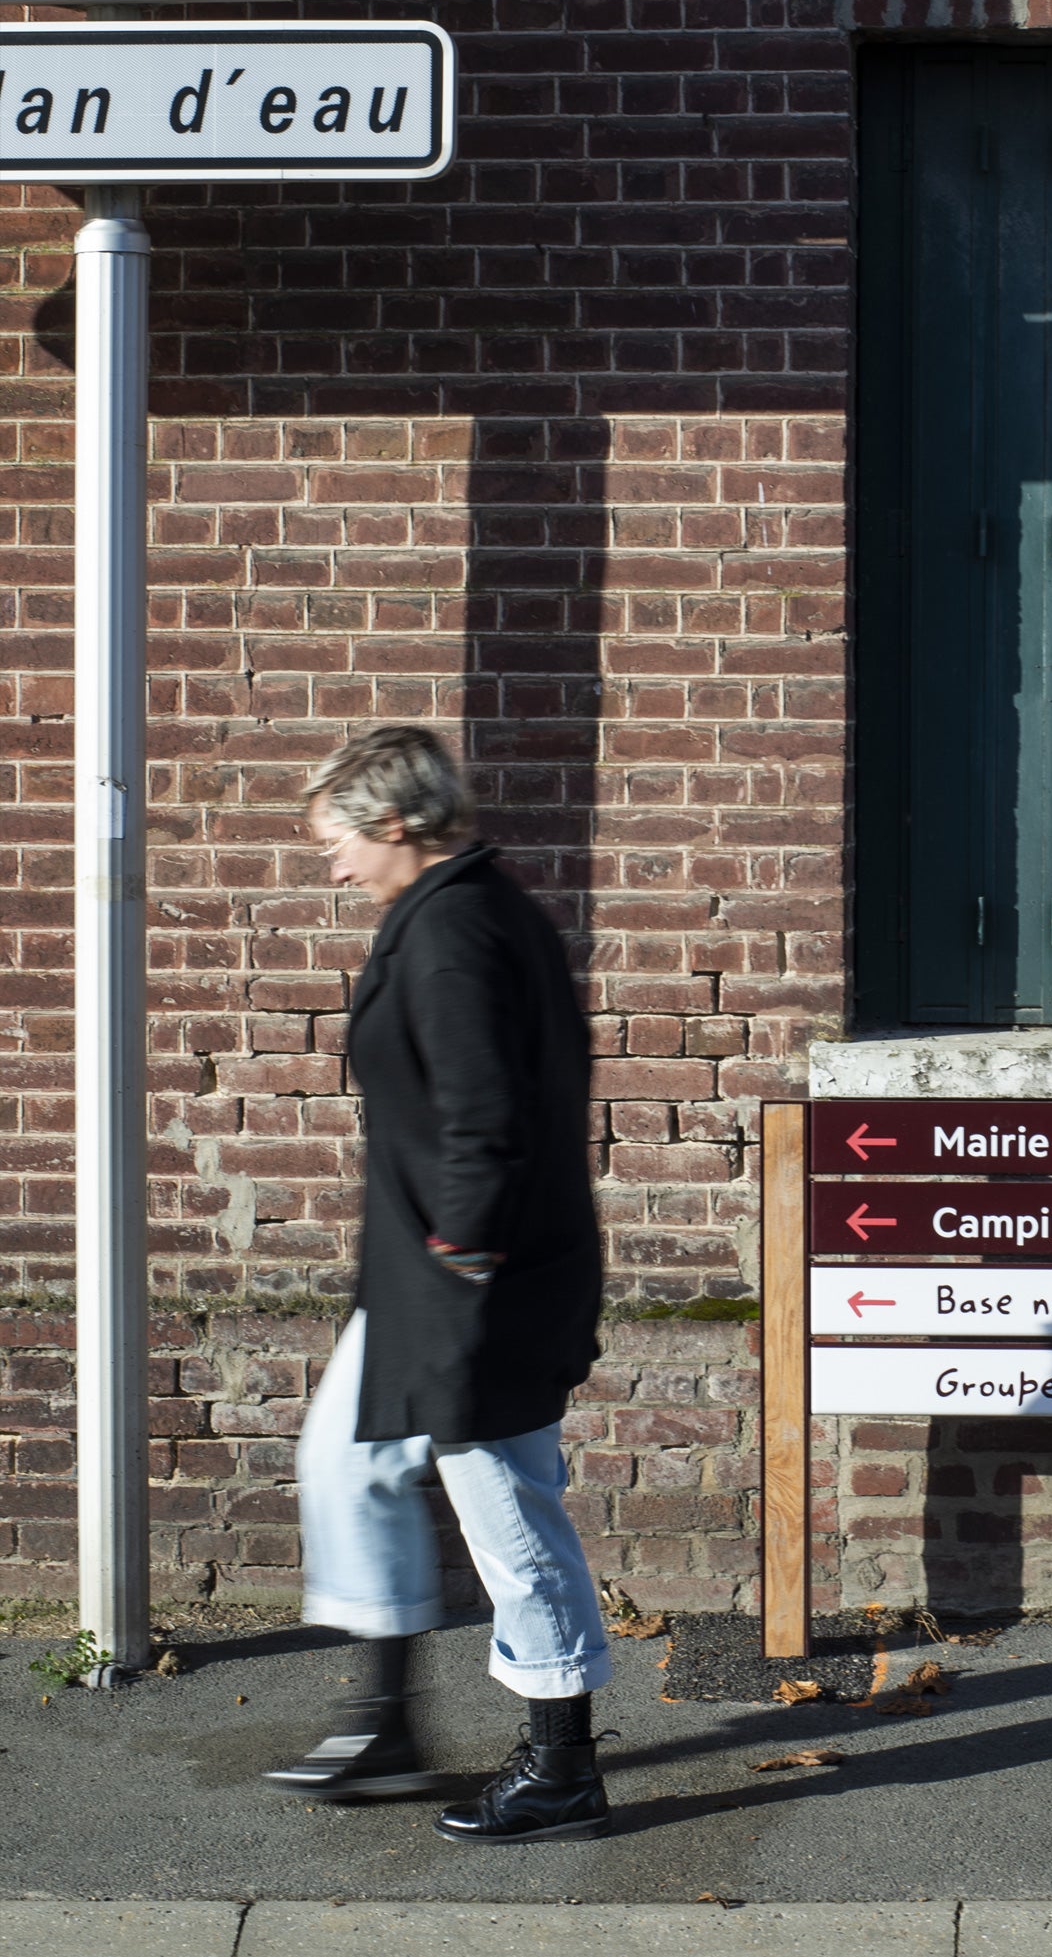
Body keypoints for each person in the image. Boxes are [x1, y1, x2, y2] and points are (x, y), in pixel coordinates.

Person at [264, 724, 614, 1843]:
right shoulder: (457, 908)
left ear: (398, 825)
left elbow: (486, 1121)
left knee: (507, 1511)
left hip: (475, 1282)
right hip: (422, 1280)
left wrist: (460, 1262)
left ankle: (561, 1766)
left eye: (338, 842)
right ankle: (385, 1722)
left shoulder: (458, 928)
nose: (332, 864)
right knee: (343, 1462)